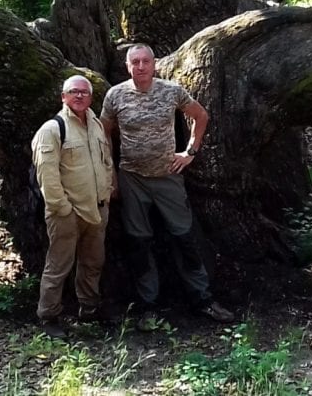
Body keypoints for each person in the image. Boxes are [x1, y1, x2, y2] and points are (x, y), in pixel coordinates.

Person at [100, 44, 235, 330]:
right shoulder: (115, 95)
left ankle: (202, 298)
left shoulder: (171, 91)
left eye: (145, 61)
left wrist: (190, 152)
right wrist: (111, 174)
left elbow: (201, 116)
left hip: (168, 176)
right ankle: (149, 305)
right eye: (134, 62)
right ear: (127, 66)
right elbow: (104, 132)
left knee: (184, 236)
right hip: (131, 177)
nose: (140, 66)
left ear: (154, 64)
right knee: (138, 241)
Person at [31, 75, 114, 338]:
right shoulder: (52, 129)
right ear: (63, 97)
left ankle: (89, 308)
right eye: (73, 92)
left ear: (91, 97)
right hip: (67, 212)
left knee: (93, 262)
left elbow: (106, 161)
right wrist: (62, 208)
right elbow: (47, 174)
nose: (79, 96)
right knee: (58, 266)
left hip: (97, 209)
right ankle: (49, 316)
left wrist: (108, 191)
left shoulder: (96, 125)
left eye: (84, 92)